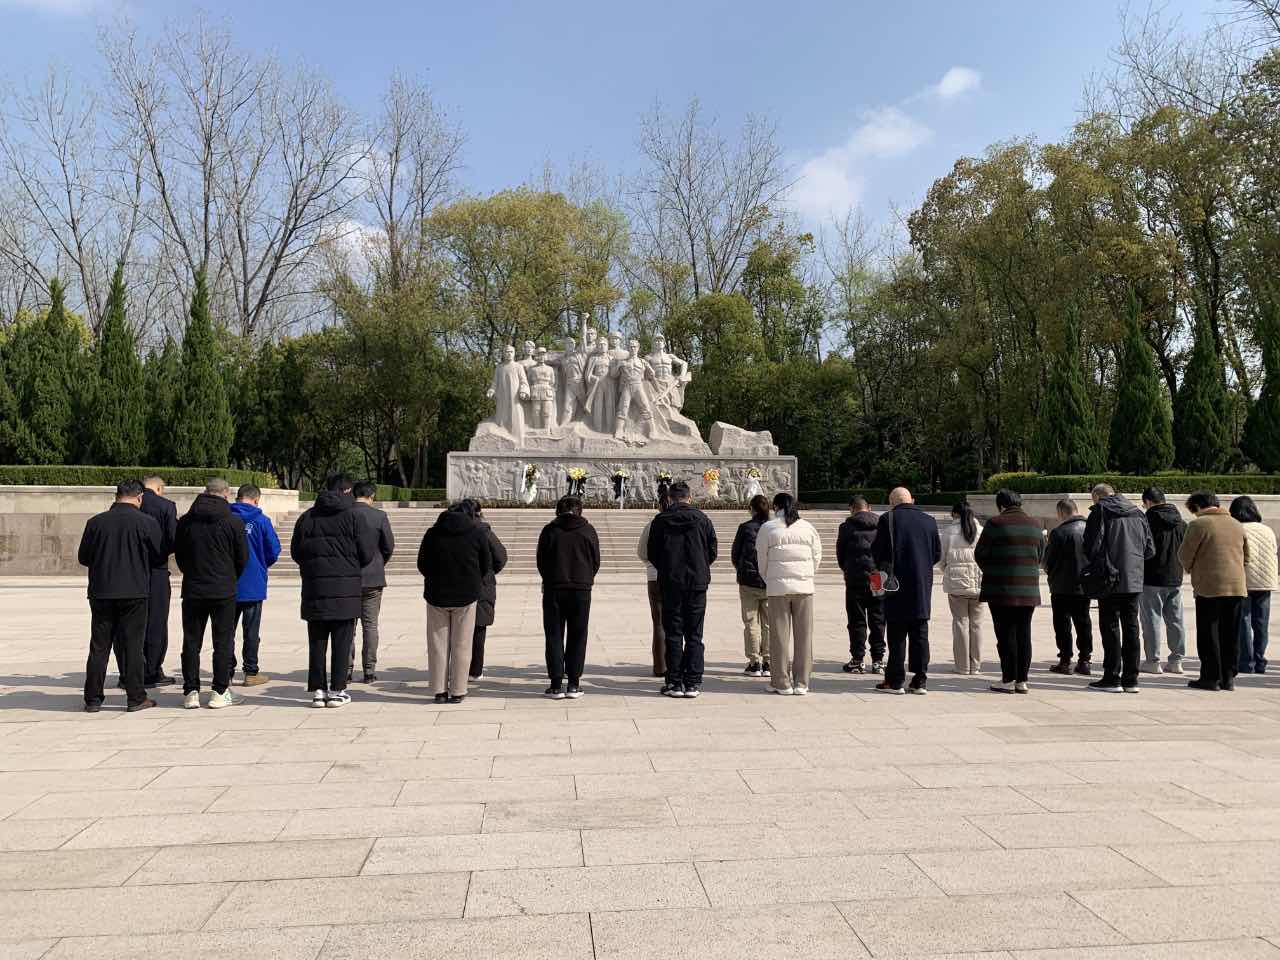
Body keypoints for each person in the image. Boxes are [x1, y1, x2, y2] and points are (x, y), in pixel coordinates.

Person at [79, 479, 162, 713]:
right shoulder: (147, 522)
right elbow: (158, 556)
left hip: (102, 591)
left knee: (99, 646)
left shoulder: (95, 522)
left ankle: (93, 699)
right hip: (134, 591)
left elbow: (84, 557)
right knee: (133, 646)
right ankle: (135, 697)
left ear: (116, 496)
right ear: (140, 497)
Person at [291, 474, 374, 708]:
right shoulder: (354, 517)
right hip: (345, 589)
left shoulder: (307, 517)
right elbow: (367, 553)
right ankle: (337, 690)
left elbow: (296, 552)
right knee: (342, 642)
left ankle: (318, 690)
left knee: (317, 643)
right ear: (348, 492)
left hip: (315, 588)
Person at [175, 478, 248, 709]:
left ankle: (191, 691)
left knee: (191, 642)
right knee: (223, 642)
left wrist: (192, 573)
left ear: (205, 492)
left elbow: (180, 556)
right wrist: (230, 576)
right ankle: (220, 691)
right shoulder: (233, 521)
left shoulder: (186, 521)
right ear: (226, 494)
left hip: (193, 588)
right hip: (223, 589)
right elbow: (242, 557)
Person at [647, 480, 718, 698]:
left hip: (671, 583)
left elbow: (653, 553)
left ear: (670, 499)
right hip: (697, 583)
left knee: (673, 633)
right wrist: (699, 566)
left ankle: (674, 682)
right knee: (695, 634)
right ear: (689, 498)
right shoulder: (702, 519)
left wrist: (668, 568)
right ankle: (693, 682)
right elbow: (712, 550)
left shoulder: (660, 520)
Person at [417, 500, 492, 704]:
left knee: (437, 645)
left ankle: (439, 690)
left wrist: (435, 578)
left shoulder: (432, 534)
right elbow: (486, 564)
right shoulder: (477, 533)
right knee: (463, 644)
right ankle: (458, 690)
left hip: (437, 595)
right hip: (466, 595)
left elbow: (422, 564)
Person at [1083, 484, 1155, 694]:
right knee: (1132, 627)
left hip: (1109, 578)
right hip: (1134, 579)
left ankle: (1112, 677)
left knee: (1110, 627)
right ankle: (1131, 679)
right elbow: (1150, 549)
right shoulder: (1138, 513)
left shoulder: (1100, 511)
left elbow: (1090, 545)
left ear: (1097, 497)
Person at [871, 487, 942, 695]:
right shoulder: (929, 521)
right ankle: (920, 681)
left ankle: (895, 681)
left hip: (896, 585)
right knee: (920, 633)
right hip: (921, 584)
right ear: (912, 500)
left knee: (897, 634)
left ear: (891, 502)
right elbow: (936, 554)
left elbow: (877, 552)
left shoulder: (887, 519)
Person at [975, 489, 1045, 693]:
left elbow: (980, 554)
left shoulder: (995, 523)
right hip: (1028, 589)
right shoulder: (1035, 524)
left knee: (1005, 635)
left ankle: (1008, 679)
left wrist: (994, 570)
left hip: (1000, 589)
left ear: (1001, 505)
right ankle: (1022, 680)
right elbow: (1040, 555)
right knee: (1024, 634)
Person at [1180, 491, 1248, 691]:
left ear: (1197, 506)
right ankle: (1228, 677)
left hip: (1209, 586)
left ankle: (1211, 677)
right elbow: (1247, 556)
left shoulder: (1199, 524)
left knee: (1209, 632)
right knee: (1231, 633)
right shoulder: (1237, 524)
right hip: (1236, 586)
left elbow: (1184, 554)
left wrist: (1191, 568)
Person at [756, 492, 823, 695]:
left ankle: (781, 682)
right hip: (804, 588)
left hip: (778, 588)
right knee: (804, 637)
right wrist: (806, 575)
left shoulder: (768, 528)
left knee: (779, 636)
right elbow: (817, 557)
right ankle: (802, 682)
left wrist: (769, 578)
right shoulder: (808, 527)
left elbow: (762, 559)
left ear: (776, 507)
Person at [536, 496, 601, 699]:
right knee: (578, 635)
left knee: (554, 634)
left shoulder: (550, 530)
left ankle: (556, 684)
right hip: (581, 589)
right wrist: (586, 578)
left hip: (554, 588)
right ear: (579, 510)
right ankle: (573, 683)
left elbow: (541, 560)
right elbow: (596, 561)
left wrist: (549, 578)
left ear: (558, 510)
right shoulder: (588, 530)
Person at [229, 482, 281, 686]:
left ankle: (226, 670)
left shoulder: (225, 518)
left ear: (237, 497)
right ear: (256, 500)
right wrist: (260, 564)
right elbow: (273, 550)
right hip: (253, 582)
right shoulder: (261, 521)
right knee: (251, 631)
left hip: (227, 582)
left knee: (226, 631)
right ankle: (251, 672)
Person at [350, 481, 395, 683]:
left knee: (348, 627)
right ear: (372, 496)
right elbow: (388, 546)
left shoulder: (345, 514)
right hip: (373, 577)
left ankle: (346, 669)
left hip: (349, 578)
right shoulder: (379, 516)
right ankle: (369, 670)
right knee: (370, 626)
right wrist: (378, 563)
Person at [1140, 486, 1187, 675]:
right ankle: (1176, 661)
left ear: (1148, 502)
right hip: (1175, 576)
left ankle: (1153, 661)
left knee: (1152, 620)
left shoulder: (1146, 521)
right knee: (1176, 620)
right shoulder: (1181, 523)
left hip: (1151, 577)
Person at [1043, 499, 1093, 676]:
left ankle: (1065, 660)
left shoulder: (1059, 532)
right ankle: (1085, 660)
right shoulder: (1090, 529)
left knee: (1062, 624)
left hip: (1061, 585)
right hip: (1084, 584)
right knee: (1083, 622)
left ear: (1061, 512)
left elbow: (1047, 561)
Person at [837, 495, 884, 674]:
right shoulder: (881, 525)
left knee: (856, 620)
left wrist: (848, 569)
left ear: (852, 509)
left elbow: (840, 554)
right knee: (878, 619)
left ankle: (857, 659)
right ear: (869, 507)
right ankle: (878, 660)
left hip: (855, 577)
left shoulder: (846, 527)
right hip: (877, 577)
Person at [1230, 495, 1275, 674]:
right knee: (1261, 622)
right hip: (1265, 582)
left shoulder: (1237, 529)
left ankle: (1247, 662)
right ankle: (1260, 660)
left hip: (1245, 580)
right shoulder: (1267, 530)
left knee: (1244, 621)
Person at [140, 474, 178, 686]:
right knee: (156, 621)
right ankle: (152, 670)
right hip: (157, 570)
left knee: (131, 623)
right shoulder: (166, 506)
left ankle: (130, 671)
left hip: (132, 570)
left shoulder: (131, 503)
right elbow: (173, 539)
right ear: (159, 488)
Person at [731, 494, 772, 677]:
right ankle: (768, 661)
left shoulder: (745, 528)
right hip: (770, 581)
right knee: (769, 623)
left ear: (752, 509)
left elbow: (735, 554)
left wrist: (742, 569)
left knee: (750, 623)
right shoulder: (774, 528)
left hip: (749, 581)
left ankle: (754, 662)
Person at [941, 499, 984, 674]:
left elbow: (942, 560)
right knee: (977, 625)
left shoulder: (948, 532)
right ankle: (976, 666)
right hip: (979, 583)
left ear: (954, 513)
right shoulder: (981, 531)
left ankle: (962, 666)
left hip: (956, 584)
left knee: (960, 623)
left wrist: (949, 570)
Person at [636, 489, 672, 677]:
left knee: (659, 623)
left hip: (655, 577)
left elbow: (642, 552)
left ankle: (660, 667)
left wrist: (652, 564)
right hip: (679, 577)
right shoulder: (685, 522)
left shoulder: (652, 525)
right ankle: (676, 665)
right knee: (677, 622)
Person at [471, 501, 508, 681]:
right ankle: (475, 670)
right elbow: (501, 557)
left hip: (457, 586)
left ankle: (456, 668)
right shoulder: (485, 532)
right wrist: (489, 572)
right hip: (482, 586)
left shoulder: (447, 530)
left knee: (456, 630)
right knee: (478, 628)